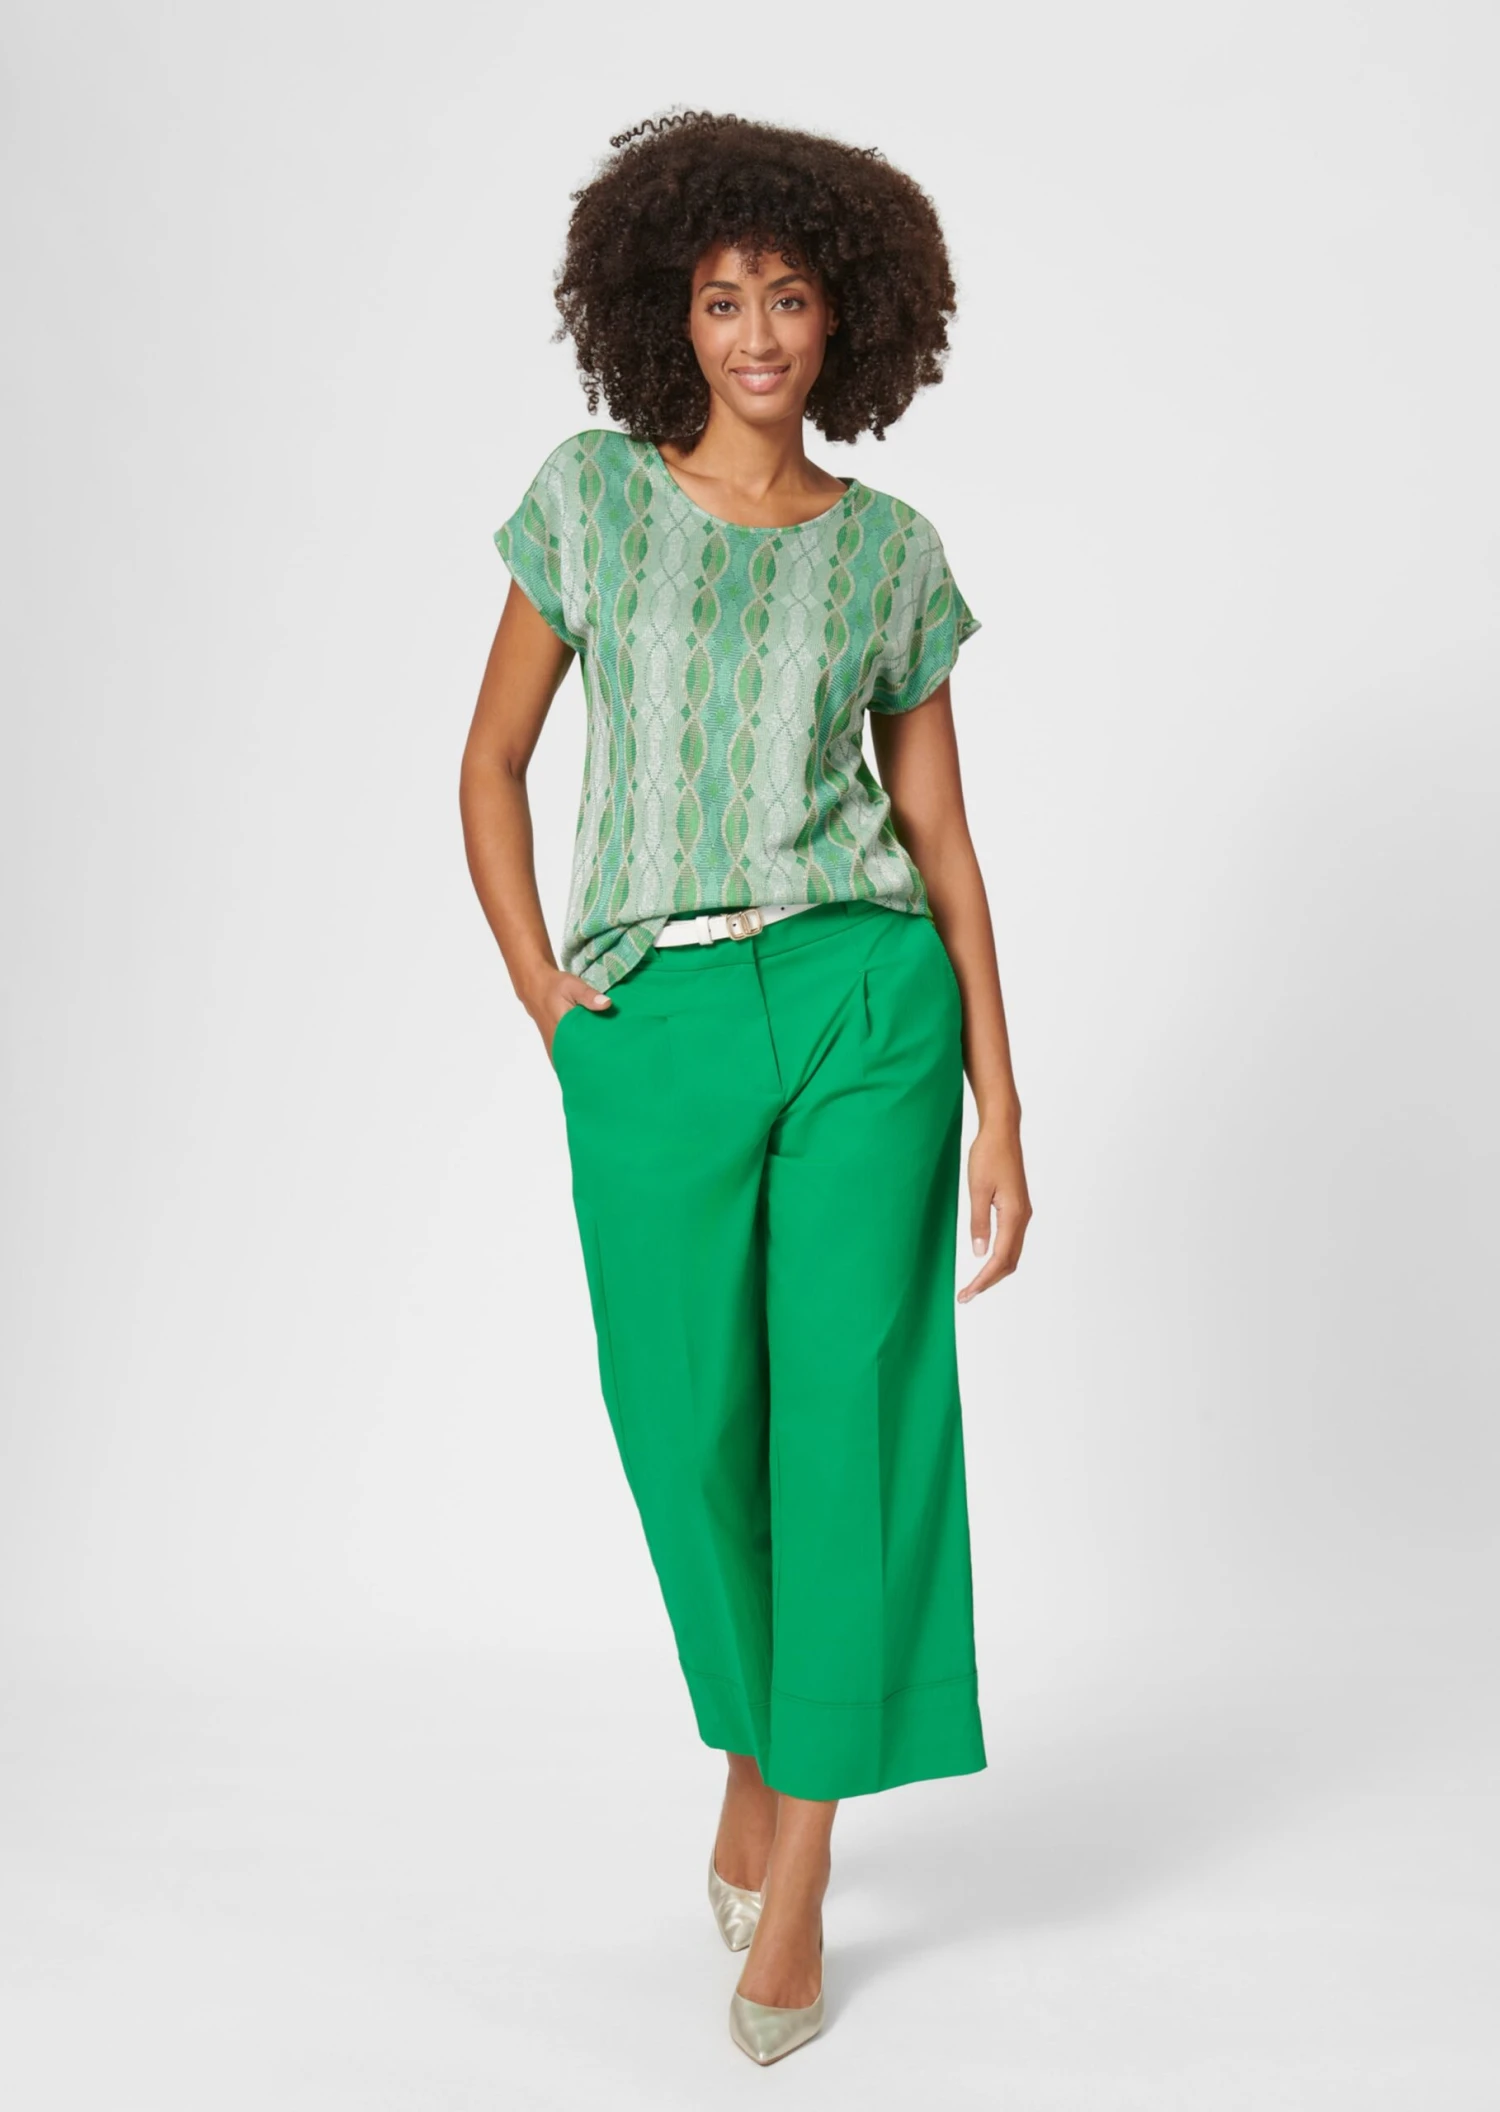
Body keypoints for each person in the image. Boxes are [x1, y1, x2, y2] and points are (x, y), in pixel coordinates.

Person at [459, 108, 1031, 2066]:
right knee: (687, 1419)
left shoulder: (891, 553)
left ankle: (802, 1863)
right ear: (670, 316)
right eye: (722, 299)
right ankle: (757, 1742)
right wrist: (550, 1000)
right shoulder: (591, 503)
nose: (761, 333)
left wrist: (1005, 1103)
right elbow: (489, 766)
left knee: (848, 1422)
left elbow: (942, 840)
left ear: (846, 313)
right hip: (659, 1014)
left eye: (790, 296)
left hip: (871, 1002)